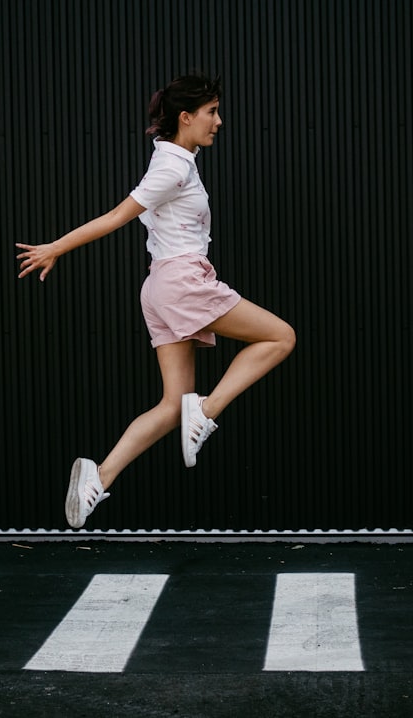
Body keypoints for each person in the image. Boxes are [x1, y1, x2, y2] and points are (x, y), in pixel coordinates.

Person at [16, 73, 295, 529]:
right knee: (280, 336)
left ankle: (98, 478)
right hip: (183, 281)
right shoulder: (172, 168)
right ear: (186, 118)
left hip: (161, 287)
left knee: (171, 404)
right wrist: (56, 247)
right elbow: (116, 217)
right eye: (211, 112)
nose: (219, 121)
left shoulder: (177, 157)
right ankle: (206, 411)